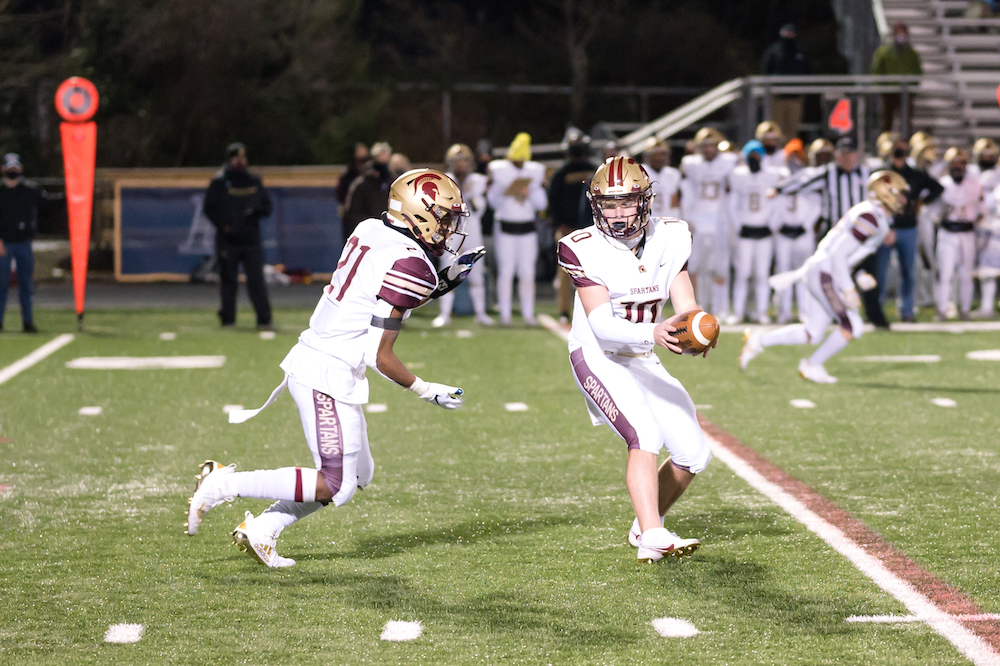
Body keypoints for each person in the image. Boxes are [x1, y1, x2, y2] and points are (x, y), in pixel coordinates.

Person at [186, 168, 484, 567]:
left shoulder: (371, 227)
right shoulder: (412, 262)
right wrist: (424, 388)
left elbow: (378, 290)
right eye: (445, 216)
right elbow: (382, 355)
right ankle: (224, 484)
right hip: (324, 373)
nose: (449, 227)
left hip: (322, 360)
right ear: (420, 212)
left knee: (359, 475)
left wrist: (437, 281)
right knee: (337, 484)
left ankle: (263, 529)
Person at [556, 156, 712, 562]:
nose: (619, 213)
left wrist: (698, 328)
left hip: (642, 353)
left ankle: (645, 523)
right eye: (609, 204)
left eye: (627, 203)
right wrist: (656, 333)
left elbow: (686, 304)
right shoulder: (580, 247)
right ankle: (654, 534)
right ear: (596, 206)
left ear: (645, 201)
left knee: (694, 453)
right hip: (598, 354)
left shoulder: (672, 235)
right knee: (643, 434)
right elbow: (604, 325)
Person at [741, 171, 909, 383]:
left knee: (813, 332)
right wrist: (848, 289)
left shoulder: (872, 214)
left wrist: (858, 275)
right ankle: (812, 364)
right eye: (900, 194)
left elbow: (844, 253)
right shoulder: (871, 217)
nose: (903, 199)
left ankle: (759, 340)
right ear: (887, 193)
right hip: (825, 272)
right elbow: (838, 254)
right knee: (853, 326)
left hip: (823, 270)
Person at [774, 136, 888, 328]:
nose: (848, 158)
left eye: (851, 154)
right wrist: (779, 189)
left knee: (869, 274)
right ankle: (833, 314)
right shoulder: (827, 173)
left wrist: (886, 227)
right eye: (844, 154)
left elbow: (881, 201)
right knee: (830, 275)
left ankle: (874, 316)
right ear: (837, 156)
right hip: (836, 232)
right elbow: (802, 181)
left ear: (856, 155)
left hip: (862, 232)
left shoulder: (867, 174)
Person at [203, 143, 274, 330]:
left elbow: (266, 207)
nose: (241, 161)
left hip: (251, 239)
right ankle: (228, 319)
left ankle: (264, 319)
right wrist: (225, 225)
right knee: (228, 281)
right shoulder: (220, 182)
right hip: (228, 240)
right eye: (237, 158)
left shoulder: (253, 180)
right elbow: (209, 208)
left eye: (243, 158)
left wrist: (254, 210)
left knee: (256, 280)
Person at [876, 137, 943, 321]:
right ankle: (877, 310)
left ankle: (907, 310)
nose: (899, 155)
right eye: (896, 151)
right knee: (880, 271)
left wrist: (920, 201)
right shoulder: (882, 174)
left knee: (908, 272)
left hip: (907, 227)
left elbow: (938, 188)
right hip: (885, 228)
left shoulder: (915, 174)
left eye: (902, 151)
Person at [487, 133, 547, 326]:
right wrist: (507, 191)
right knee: (506, 272)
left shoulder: (534, 178)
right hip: (505, 230)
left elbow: (542, 204)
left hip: (527, 231)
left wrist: (528, 193)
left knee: (527, 273)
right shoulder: (500, 176)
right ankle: (505, 314)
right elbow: (493, 202)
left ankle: (528, 313)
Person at [728, 141, 788, 324]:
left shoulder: (771, 175)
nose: (754, 159)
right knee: (742, 273)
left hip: (764, 230)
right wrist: (739, 226)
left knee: (762, 274)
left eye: (757, 155)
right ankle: (738, 312)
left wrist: (772, 225)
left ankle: (762, 311)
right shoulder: (738, 176)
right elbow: (733, 203)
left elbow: (777, 203)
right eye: (751, 155)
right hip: (746, 230)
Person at [680, 127, 737, 319]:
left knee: (720, 267)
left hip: (720, 221)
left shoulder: (728, 162)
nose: (709, 149)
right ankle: (699, 306)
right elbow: (686, 193)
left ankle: (721, 308)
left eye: (712, 145)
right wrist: (687, 219)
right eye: (705, 146)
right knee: (696, 268)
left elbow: (739, 158)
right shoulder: (691, 163)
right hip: (698, 220)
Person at [434, 144, 493, 327]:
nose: (461, 165)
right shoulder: (446, 180)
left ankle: (480, 313)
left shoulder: (476, 180)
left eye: (464, 161)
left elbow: (479, 208)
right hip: (451, 229)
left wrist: (470, 192)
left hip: (472, 228)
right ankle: (445, 313)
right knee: (448, 270)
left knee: (476, 272)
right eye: (458, 161)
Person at [0, 153, 58, 333]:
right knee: (1, 285)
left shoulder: (30, 190)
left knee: (26, 284)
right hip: (4, 245)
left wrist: (73, 194)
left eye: (15, 168)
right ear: (3, 170)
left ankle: (27, 322)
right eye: (10, 169)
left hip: (24, 243)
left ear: (21, 169)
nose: (13, 172)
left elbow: (50, 203)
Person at [773, 139, 826, 323]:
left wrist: (806, 225)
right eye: (791, 155)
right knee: (783, 272)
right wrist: (777, 223)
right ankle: (784, 312)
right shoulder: (778, 175)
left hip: (803, 231)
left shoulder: (808, 176)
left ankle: (805, 312)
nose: (795, 159)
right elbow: (772, 201)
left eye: (797, 155)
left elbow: (816, 204)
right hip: (783, 230)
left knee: (805, 273)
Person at [548, 128, 597, 322]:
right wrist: (561, 224)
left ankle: (592, 309)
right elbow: (552, 201)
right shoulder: (560, 174)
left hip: (591, 230)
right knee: (564, 272)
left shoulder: (595, 169)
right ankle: (564, 311)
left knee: (593, 272)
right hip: (566, 229)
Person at [935, 148, 982, 321]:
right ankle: (942, 310)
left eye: (960, 163)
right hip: (948, 231)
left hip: (967, 232)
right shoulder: (943, 182)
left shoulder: (974, 183)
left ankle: (966, 310)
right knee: (945, 273)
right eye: (954, 163)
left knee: (966, 274)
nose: (957, 166)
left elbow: (978, 208)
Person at [760, 24, 811, 140]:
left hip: (795, 97)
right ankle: (778, 154)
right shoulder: (774, 50)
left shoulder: (800, 50)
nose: (789, 36)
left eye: (791, 33)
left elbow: (808, 70)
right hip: (778, 97)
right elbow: (765, 70)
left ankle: (791, 154)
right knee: (776, 130)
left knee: (792, 130)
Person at [871, 23, 923, 134]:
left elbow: (917, 72)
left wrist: (913, 89)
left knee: (906, 121)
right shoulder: (883, 53)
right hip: (888, 92)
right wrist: (881, 87)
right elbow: (876, 70)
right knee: (886, 121)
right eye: (898, 34)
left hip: (906, 92)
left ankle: (905, 143)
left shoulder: (912, 54)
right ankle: (885, 143)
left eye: (903, 34)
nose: (901, 37)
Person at [343, 141, 393, 240]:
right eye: (381, 155)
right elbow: (353, 214)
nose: (384, 158)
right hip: (368, 236)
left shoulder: (392, 181)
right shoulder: (362, 183)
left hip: (388, 235)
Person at [973, 139, 1000, 317]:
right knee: (987, 269)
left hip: (995, 226)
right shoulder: (987, 176)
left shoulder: (992, 177)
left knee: (990, 268)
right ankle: (987, 306)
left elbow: (990, 202)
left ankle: (987, 306)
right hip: (989, 226)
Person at [642, 140, 681, 220]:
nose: (658, 158)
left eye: (661, 154)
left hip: (665, 220)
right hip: (646, 220)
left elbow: (674, 203)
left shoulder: (672, 174)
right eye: (655, 155)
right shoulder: (640, 172)